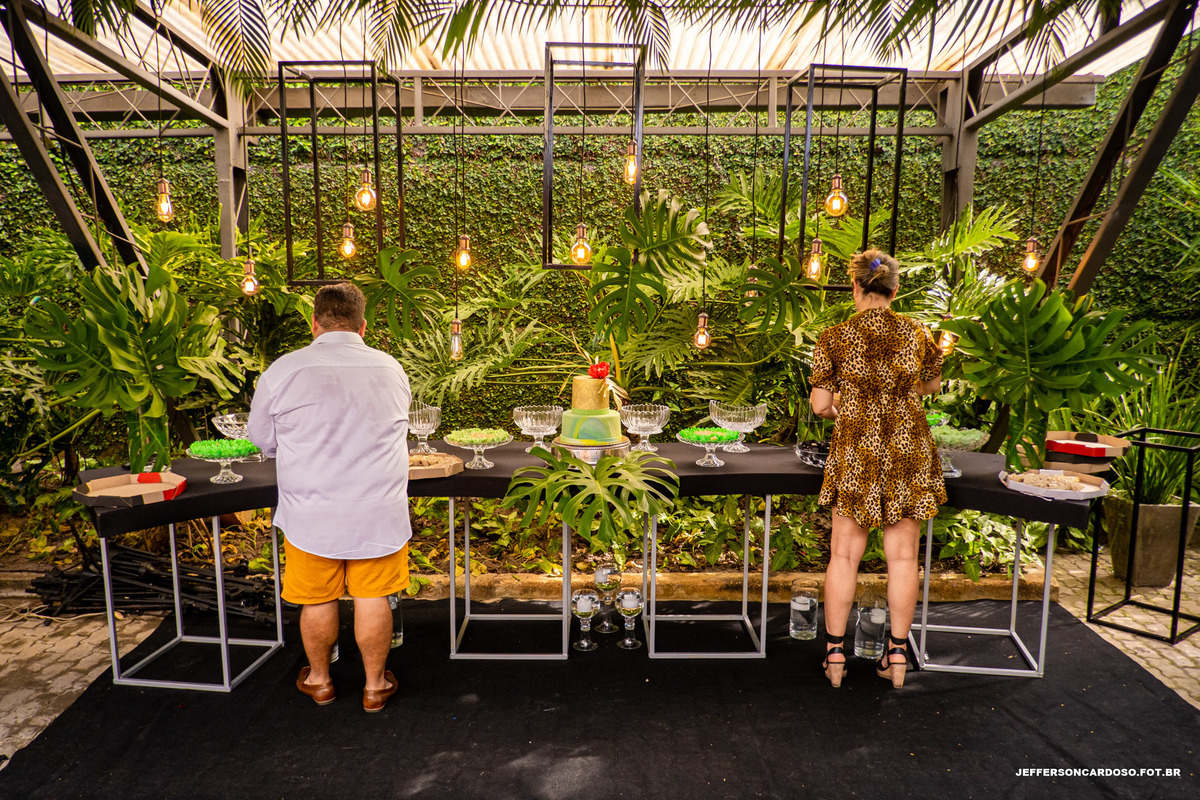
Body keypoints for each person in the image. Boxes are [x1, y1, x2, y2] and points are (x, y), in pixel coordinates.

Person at [248, 282, 412, 712]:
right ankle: (375, 687)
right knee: (373, 596)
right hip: (378, 510)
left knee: (317, 598)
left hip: (311, 513)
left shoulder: (284, 370)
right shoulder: (390, 367)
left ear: (314, 323)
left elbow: (262, 440)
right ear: (364, 326)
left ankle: (320, 681)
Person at [808, 249, 946, 689]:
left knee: (844, 555)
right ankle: (898, 659)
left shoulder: (834, 336)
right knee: (903, 557)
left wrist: (847, 407)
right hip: (908, 451)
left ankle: (834, 657)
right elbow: (930, 386)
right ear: (895, 288)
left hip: (856, 449)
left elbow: (820, 405)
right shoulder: (917, 333)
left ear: (855, 287)